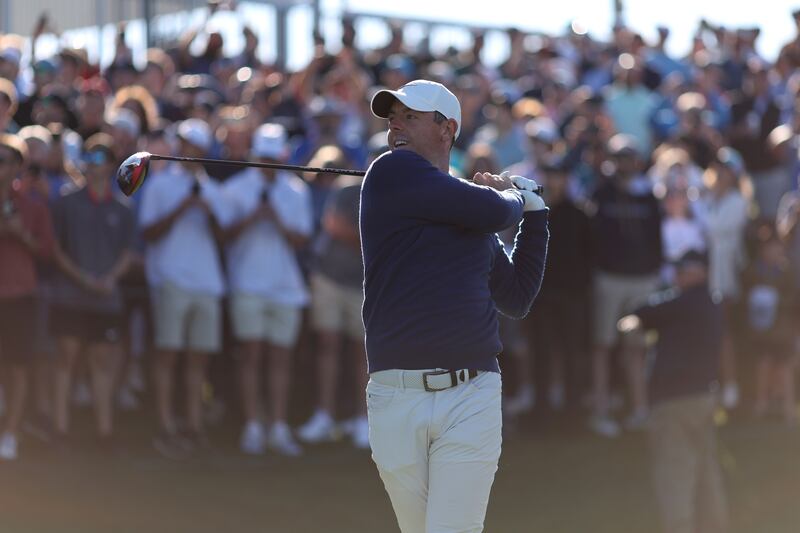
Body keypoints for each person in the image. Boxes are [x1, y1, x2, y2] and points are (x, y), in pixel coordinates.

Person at [361, 79, 549, 533]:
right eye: (393, 119)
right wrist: (515, 196)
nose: (396, 127)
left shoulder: (471, 215)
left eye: (410, 117)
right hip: (395, 395)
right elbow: (495, 211)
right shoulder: (390, 172)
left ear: (447, 129)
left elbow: (517, 297)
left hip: (471, 395)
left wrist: (537, 215)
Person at [617, 250, 729, 533]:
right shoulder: (712, 304)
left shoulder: (684, 303)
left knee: (674, 475)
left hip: (674, 401)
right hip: (704, 397)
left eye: (684, 269)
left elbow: (640, 313)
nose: (677, 275)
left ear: (701, 272)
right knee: (706, 472)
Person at [139, 119, 229, 456]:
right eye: (185, 144)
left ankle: (193, 426)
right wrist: (181, 209)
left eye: (195, 146)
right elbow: (147, 234)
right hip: (171, 280)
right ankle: (165, 425)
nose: (188, 151)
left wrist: (207, 213)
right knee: (167, 357)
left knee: (197, 362)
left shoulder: (213, 191)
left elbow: (225, 239)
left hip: (207, 284)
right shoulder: (160, 186)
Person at [222, 123, 312, 457]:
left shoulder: (295, 190)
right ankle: (253, 426)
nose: (268, 163)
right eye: (264, 157)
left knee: (280, 359)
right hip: (247, 284)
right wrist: (252, 217)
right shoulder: (236, 189)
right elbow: (224, 236)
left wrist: (275, 219)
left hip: (285, 287)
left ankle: (277, 425)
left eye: (273, 158)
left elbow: (302, 239)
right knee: (251, 356)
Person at [49, 133, 135, 448]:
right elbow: (56, 248)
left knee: (102, 363)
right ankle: (59, 431)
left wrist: (110, 278)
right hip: (70, 296)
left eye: (99, 158)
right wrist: (82, 278)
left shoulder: (124, 208)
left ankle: (104, 433)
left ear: (111, 164)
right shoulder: (67, 202)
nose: (92, 164)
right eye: (88, 157)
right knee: (65, 359)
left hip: (106, 299)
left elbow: (128, 252)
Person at [588, 134, 663, 437]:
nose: (623, 164)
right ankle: (601, 412)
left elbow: (657, 237)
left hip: (642, 278)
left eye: (628, 158)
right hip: (609, 277)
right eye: (618, 158)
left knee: (637, 349)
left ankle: (641, 410)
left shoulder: (648, 195)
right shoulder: (601, 192)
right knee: (602, 345)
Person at [0, 133, 54, 460]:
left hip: (20, 296)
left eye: (4, 160)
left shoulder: (32, 206)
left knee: (17, 367)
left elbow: (47, 251)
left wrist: (20, 234)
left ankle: (11, 432)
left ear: (18, 166)